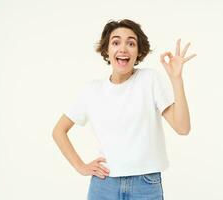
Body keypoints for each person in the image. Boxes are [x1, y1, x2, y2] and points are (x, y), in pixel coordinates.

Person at [52, 19, 196, 200]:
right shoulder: (91, 91)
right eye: (116, 42)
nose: (123, 48)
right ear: (107, 50)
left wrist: (176, 79)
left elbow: (182, 128)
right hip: (104, 185)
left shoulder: (150, 79)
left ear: (139, 52)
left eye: (131, 43)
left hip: (145, 185)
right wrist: (80, 166)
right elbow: (59, 131)